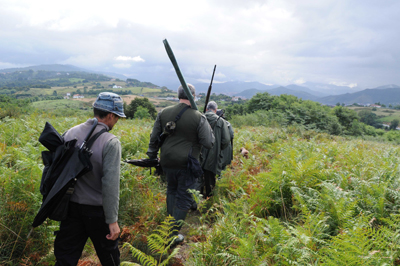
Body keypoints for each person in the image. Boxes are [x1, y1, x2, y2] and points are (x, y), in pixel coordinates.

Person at [54, 92, 125, 266]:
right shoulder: (110, 142)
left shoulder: (70, 133)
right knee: (109, 258)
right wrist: (112, 221)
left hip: (70, 208)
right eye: (117, 118)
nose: (116, 122)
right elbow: (110, 185)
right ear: (110, 115)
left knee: (65, 258)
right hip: (96, 211)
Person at [147, 84, 214, 244]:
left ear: (178, 95)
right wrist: (206, 127)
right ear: (194, 96)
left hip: (167, 161)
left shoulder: (163, 112)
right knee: (184, 196)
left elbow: (154, 137)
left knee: (171, 190)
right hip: (187, 162)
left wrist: (151, 156)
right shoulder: (198, 116)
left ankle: (169, 228)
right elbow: (208, 143)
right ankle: (171, 236)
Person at [201, 101, 230, 198]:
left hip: (199, 152)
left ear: (206, 109)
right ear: (215, 110)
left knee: (198, 175)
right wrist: (218, 148)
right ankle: (209, 198)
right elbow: (226, 140)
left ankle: (197, 197)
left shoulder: (199, 117)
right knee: (210, 176)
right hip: (213, 154)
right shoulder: (221, 121)